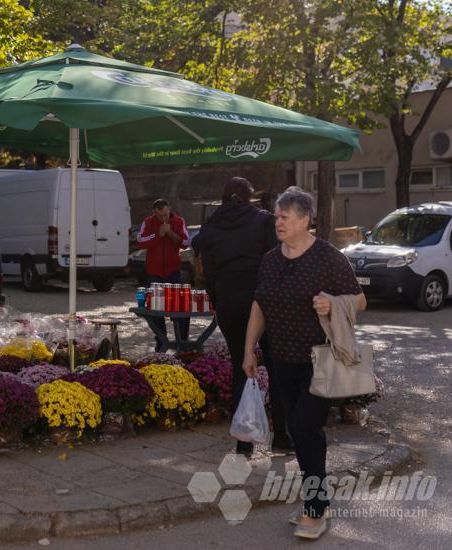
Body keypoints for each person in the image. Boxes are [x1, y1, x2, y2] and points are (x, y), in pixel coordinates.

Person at [242, 186, 366, 540]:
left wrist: (333, 302)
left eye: (284, 217)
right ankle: (317, 503)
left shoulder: (328, 258)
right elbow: (260, 305)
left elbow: (359, 300)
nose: (277, 222)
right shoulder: (270, 260)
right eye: (277, 216)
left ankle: (315, 508)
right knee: (300, 430)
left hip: (320, 360)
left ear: (305, 220)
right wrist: (250, 349)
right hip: (282, 358)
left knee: (304, 426)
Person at [192, 177, 291, 457]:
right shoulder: (263, 221)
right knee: (274, 364)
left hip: (228, 299)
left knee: (240, 365)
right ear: (250, 197)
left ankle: (244, 442)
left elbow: (207, 272)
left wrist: (218, 298)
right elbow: (277, 261)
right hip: (261, 299)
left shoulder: (212, 225)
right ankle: (282, 435)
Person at [136, 198, 190, 351]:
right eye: (159, 216)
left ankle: (183, 341)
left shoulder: (179, 221)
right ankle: (161, 339)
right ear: (154, 213)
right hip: (154, 273)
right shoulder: (148, 222)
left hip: (173, 272)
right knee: (155, 309)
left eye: (165, 215)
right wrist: (157, 235)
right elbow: (140, 241)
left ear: (169, 209)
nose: (163, 218)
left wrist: (170, 233)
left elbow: (186, 243)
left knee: (181, 307)